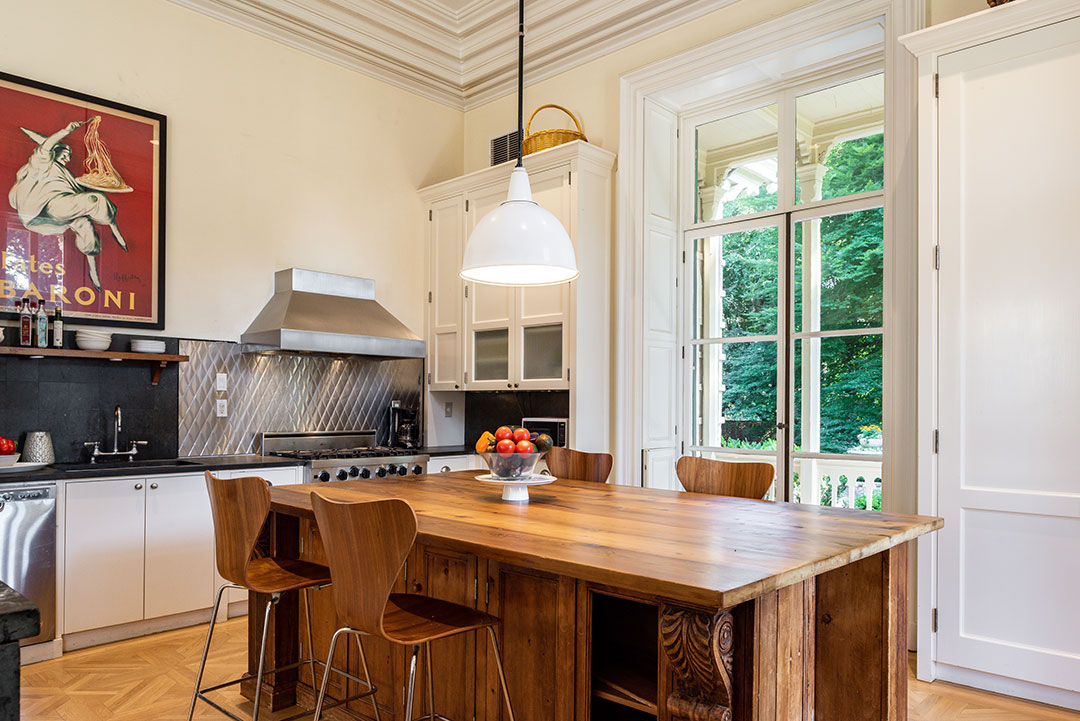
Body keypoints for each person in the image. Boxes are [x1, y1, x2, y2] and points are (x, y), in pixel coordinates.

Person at [8, 120, 128, 291]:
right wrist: (65, 131)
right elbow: (46, 146)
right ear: (54, 152)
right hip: (49, 207)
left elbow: (77, 192)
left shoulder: (67, 175)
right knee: (95, 200)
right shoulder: (42, 164)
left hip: (57, 216)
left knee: (85, 225)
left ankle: (93, 273)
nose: (68, 158)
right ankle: (116, 231)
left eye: (69, 154)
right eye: (65, 153)